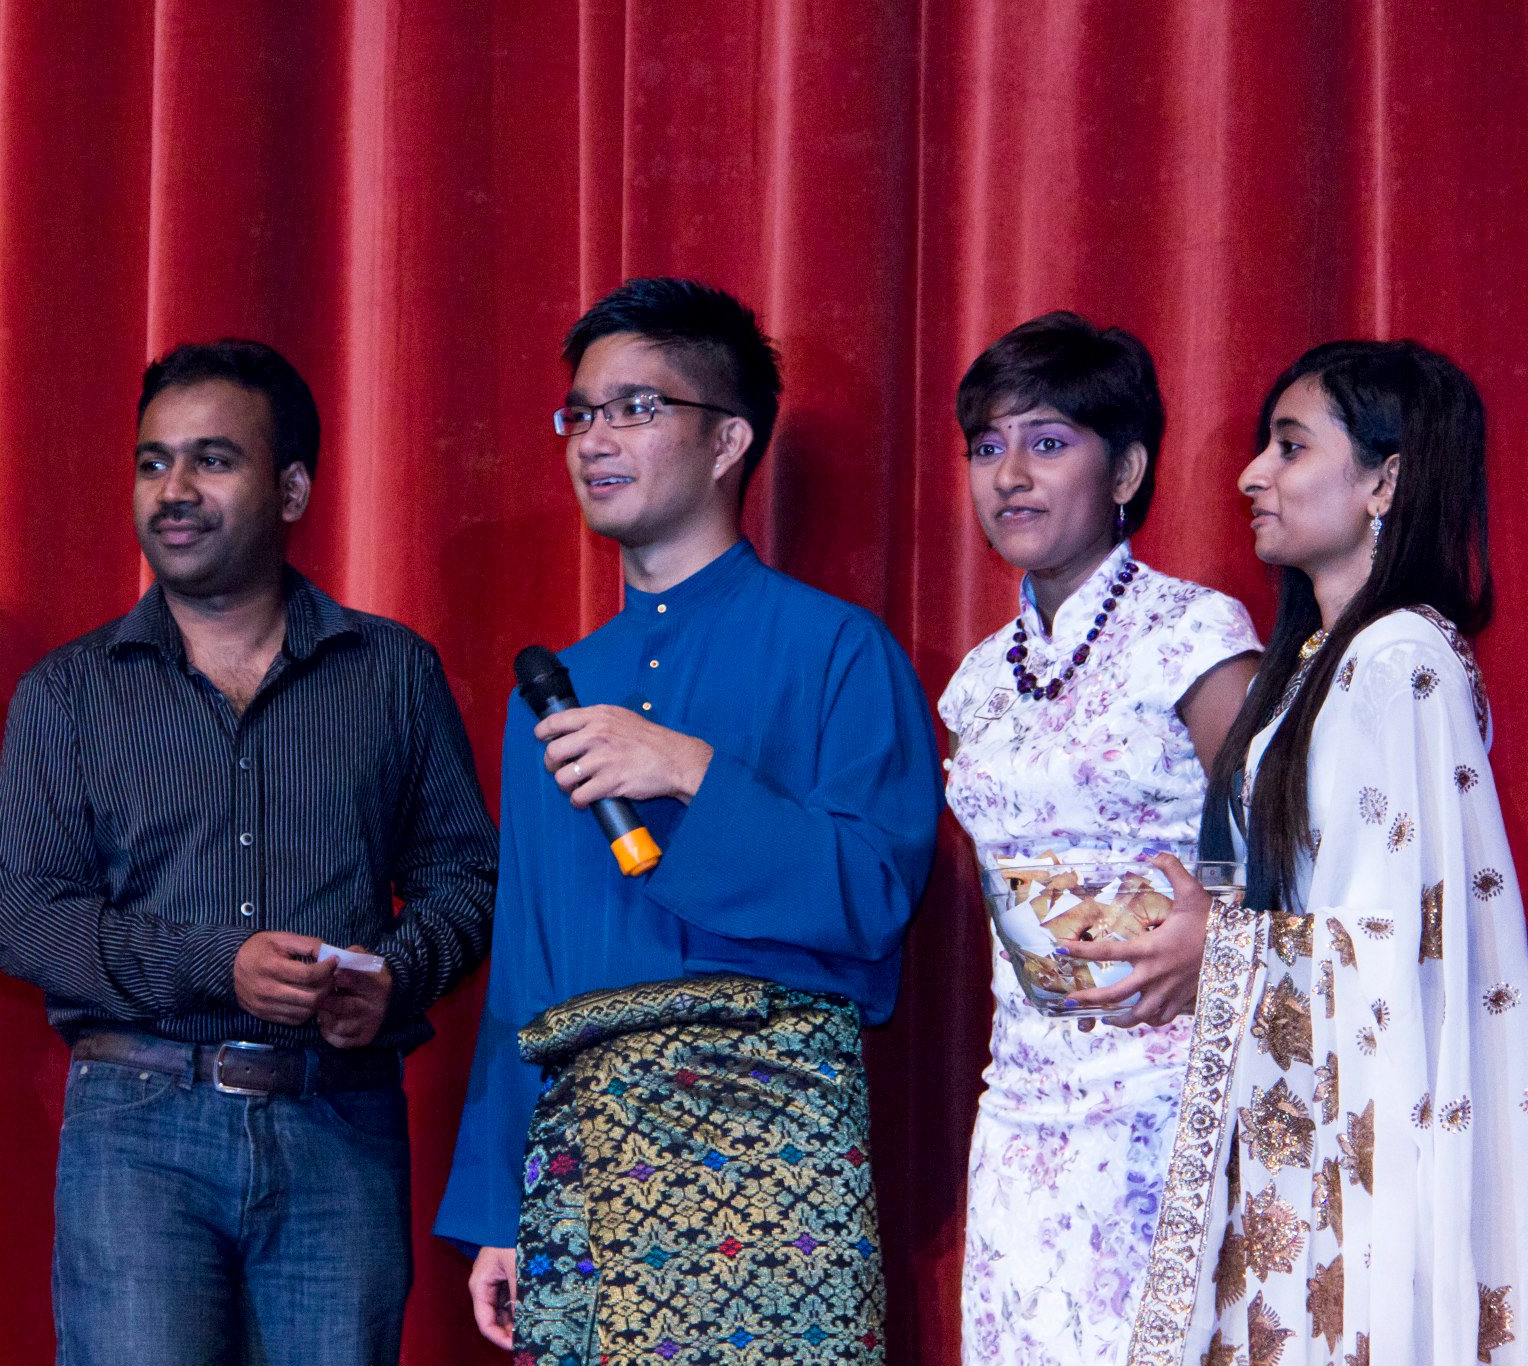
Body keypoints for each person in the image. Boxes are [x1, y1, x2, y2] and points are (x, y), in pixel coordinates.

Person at [436, 278, 942, 1364]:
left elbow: (874, 896)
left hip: (775, 1158)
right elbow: (522, 967)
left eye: (635, 407)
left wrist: (690, 771)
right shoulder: (554, 693)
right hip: (581, 1162)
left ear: (727, 440)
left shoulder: (840, 650)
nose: (593, 439)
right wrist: (494, 1209)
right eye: (580, 412)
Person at [0, 339, 496, 1366]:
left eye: (212, 460)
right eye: (152, 462)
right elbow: (25, 916)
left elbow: (465, 878)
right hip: (137, 1130)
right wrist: (221, 962)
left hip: (338, 1122)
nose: (173, 490)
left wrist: (393, 979)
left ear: (292, 488)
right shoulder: (67, 693)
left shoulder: (392, 671)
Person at [1125, 341, 1528, 1366]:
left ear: (1385, 481)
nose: (1249, 474)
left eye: (1289, 446)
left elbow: (1398, 954)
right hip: (1304, 1128)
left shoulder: (1399, 659)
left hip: (1364, 1143)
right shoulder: (1320, 662)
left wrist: (1221, 947)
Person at [938, 312, 1260, 1365]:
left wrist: (1216, 929)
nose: (1009, 475)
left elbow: (1291, 841)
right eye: (986, 446)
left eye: (1046, 441)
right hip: (1023, 1094)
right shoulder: (977, 682)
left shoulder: (1194, 631)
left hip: (1166, 1086)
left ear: (1124, 469)